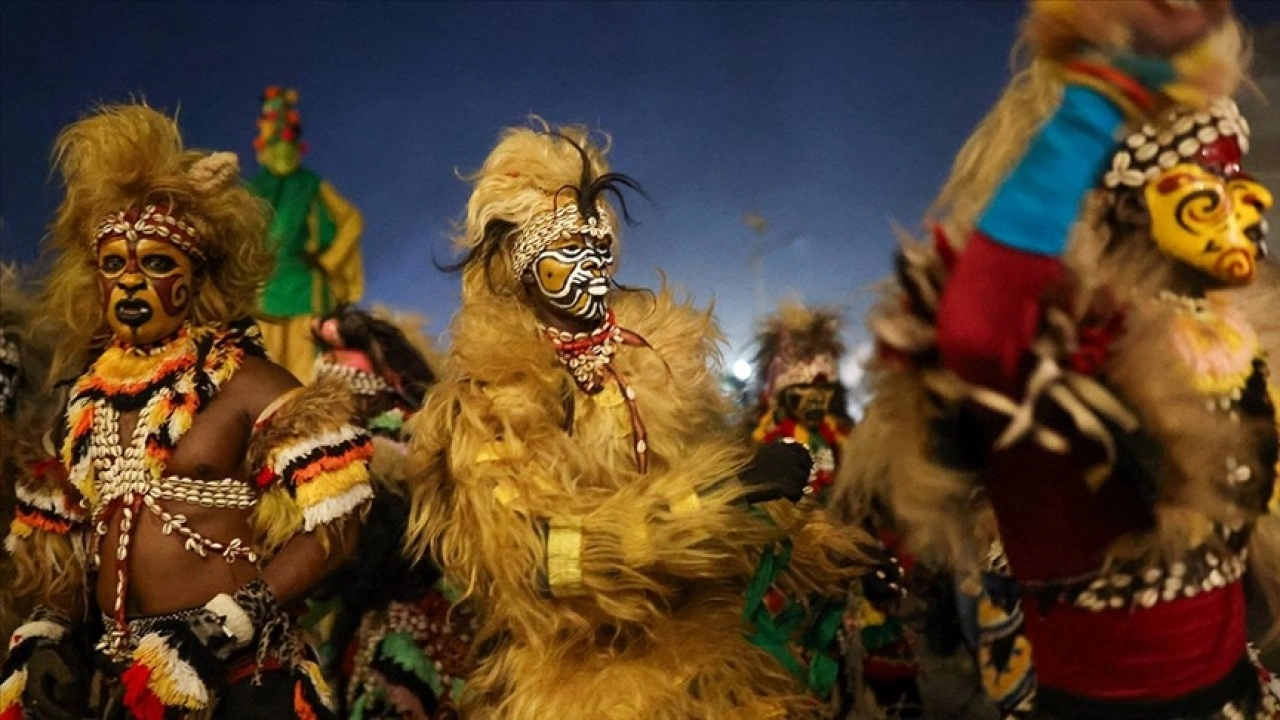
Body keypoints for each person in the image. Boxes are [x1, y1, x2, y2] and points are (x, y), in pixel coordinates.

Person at [841, 1, 1279, 717]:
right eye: (1205, 187)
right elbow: (980, 324)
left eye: (1243, 185)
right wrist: (1101, 100)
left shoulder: (1231, 350)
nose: (1240, 212)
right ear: (1120, 206)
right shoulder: (1055, 363)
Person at [405, 122, 864, 719]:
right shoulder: (487, 401)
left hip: (708, 671)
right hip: (581, 682)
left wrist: (821, 555)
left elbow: (737, 521)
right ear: (519, 264)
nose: (592, 268)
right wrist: (719, 498)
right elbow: (541, 563)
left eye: (598, 249)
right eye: (568, 251)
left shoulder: (659, 365)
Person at [1, 104, 374, 720]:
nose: (130, 283)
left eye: (156, 264)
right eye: (115, 265)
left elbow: (337, 525)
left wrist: (225, 627)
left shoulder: (249, 382)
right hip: (118, 682)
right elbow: (60, 557)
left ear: (198, 278)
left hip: (244, 676)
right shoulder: (79, 405)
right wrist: (46, 635)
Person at [748, 302, 921, 717]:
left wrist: (888, 555)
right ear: (778, 391)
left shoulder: (850, 442)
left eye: (824, 388)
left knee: (888, 687)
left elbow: (879, 510)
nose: (815, 399)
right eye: (802, 389)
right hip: (789, 599)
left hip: (856, 592)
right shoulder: (754, 448)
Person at [249, 86, 364, 382]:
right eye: (275, 142)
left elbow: (351, 220)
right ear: (263, 147)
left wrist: (329, 261)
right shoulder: (251, 190)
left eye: (286, 141)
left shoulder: (311, 184)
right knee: (266, 371)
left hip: (307, 291)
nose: (282, 151)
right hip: (262, 294)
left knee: (308, 376)